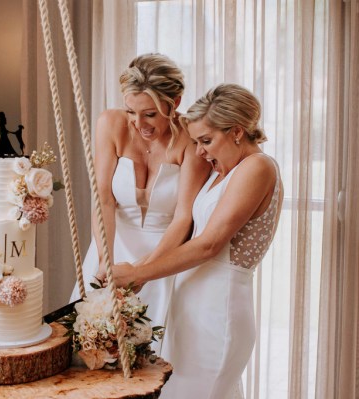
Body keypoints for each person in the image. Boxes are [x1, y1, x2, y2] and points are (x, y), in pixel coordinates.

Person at [107, 83, 283, 398]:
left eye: (206, 141)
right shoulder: (224, 171)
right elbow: (187, 227)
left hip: (219, 309)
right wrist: (139, 268)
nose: (200, 152)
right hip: (191, 309)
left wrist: (138, 274)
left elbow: (209, 245)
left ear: (237, 132)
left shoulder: (258, 167)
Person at [70, 53, 210, 355]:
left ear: (174, 103)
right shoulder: (111, 124)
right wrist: (107, 263)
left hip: (164, 255)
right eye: (130, 111)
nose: (138, 123)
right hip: (111, 245)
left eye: (150, 114)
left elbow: (184, 217)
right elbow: (104, 200)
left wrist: (143, 271)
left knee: (154, 353)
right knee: (95, 350)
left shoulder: (190, 139)